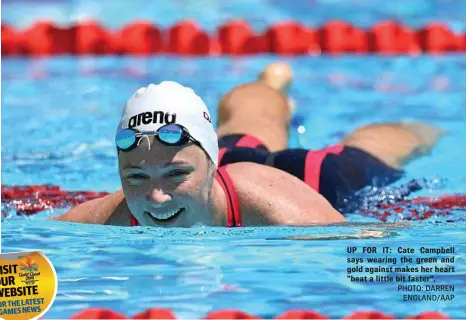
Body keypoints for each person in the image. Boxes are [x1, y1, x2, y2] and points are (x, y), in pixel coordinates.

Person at [52, 62, 443, 227]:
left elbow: (372, 245)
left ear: (209, 161)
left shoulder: (290, 213)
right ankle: (272, 87)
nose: (155, 198)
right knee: (250, 119)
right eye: (136, 176)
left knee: (384, 143)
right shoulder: (121, 208)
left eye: (175, 173)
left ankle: (432, 125)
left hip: (315, 181)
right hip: (235, 164)